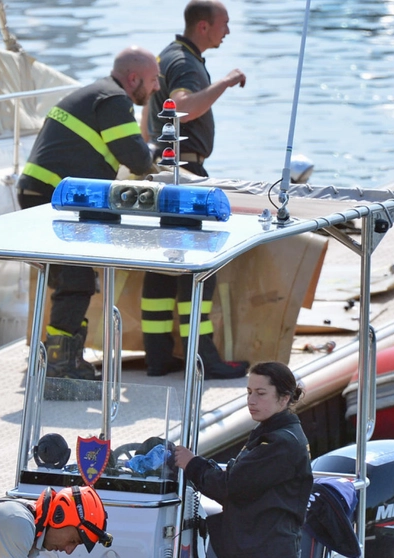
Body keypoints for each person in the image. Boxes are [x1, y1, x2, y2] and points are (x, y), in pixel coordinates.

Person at [172, 362, 355, 558]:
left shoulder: (282, 442)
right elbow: (242, 477)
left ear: (284, 399)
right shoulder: (268, 433)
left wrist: (192, 464)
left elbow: (230, 485)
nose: (251, 401)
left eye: (260, 393)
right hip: (243, 557)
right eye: (248, 392)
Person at [16, 48, 160, 382]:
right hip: (55, 198)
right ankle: (61, 367)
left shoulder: (94, 93)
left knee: (70, 280)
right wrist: (155, 159)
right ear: (134, 78)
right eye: (153, 81)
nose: (154, 89)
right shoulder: (113, 100)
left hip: (45, 194)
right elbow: (137, 159)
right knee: (76, 280)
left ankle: (63, 360)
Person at [140, 0, 249, 380]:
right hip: (184, 169)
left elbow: (148, 114)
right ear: (203, 27)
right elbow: (182, 108)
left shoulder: (166, 56)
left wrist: (148, 154)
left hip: (162, 167)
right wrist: (225, 81)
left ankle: (157, 356)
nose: (228, 31)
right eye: (224, 24)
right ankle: (202, 358)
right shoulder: (186, 62)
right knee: (196, 265)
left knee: (158, 266)